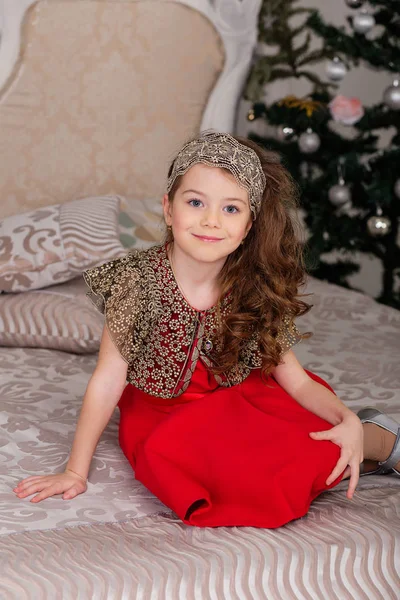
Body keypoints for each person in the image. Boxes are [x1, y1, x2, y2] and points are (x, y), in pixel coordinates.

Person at [13, 132, 400, 528]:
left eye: (231, 209)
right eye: (195, 202)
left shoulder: (253, 287)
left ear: (248, 225)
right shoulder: (137, 282)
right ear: (168, 209)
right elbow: (107, 381)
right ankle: (357, 455)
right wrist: (75, 471)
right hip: (162, 419)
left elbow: (298, 384)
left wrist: (345, 418)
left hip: (238, 400)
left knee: (315, 439)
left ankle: (372, 435)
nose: (211, 220)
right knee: (233, 480)